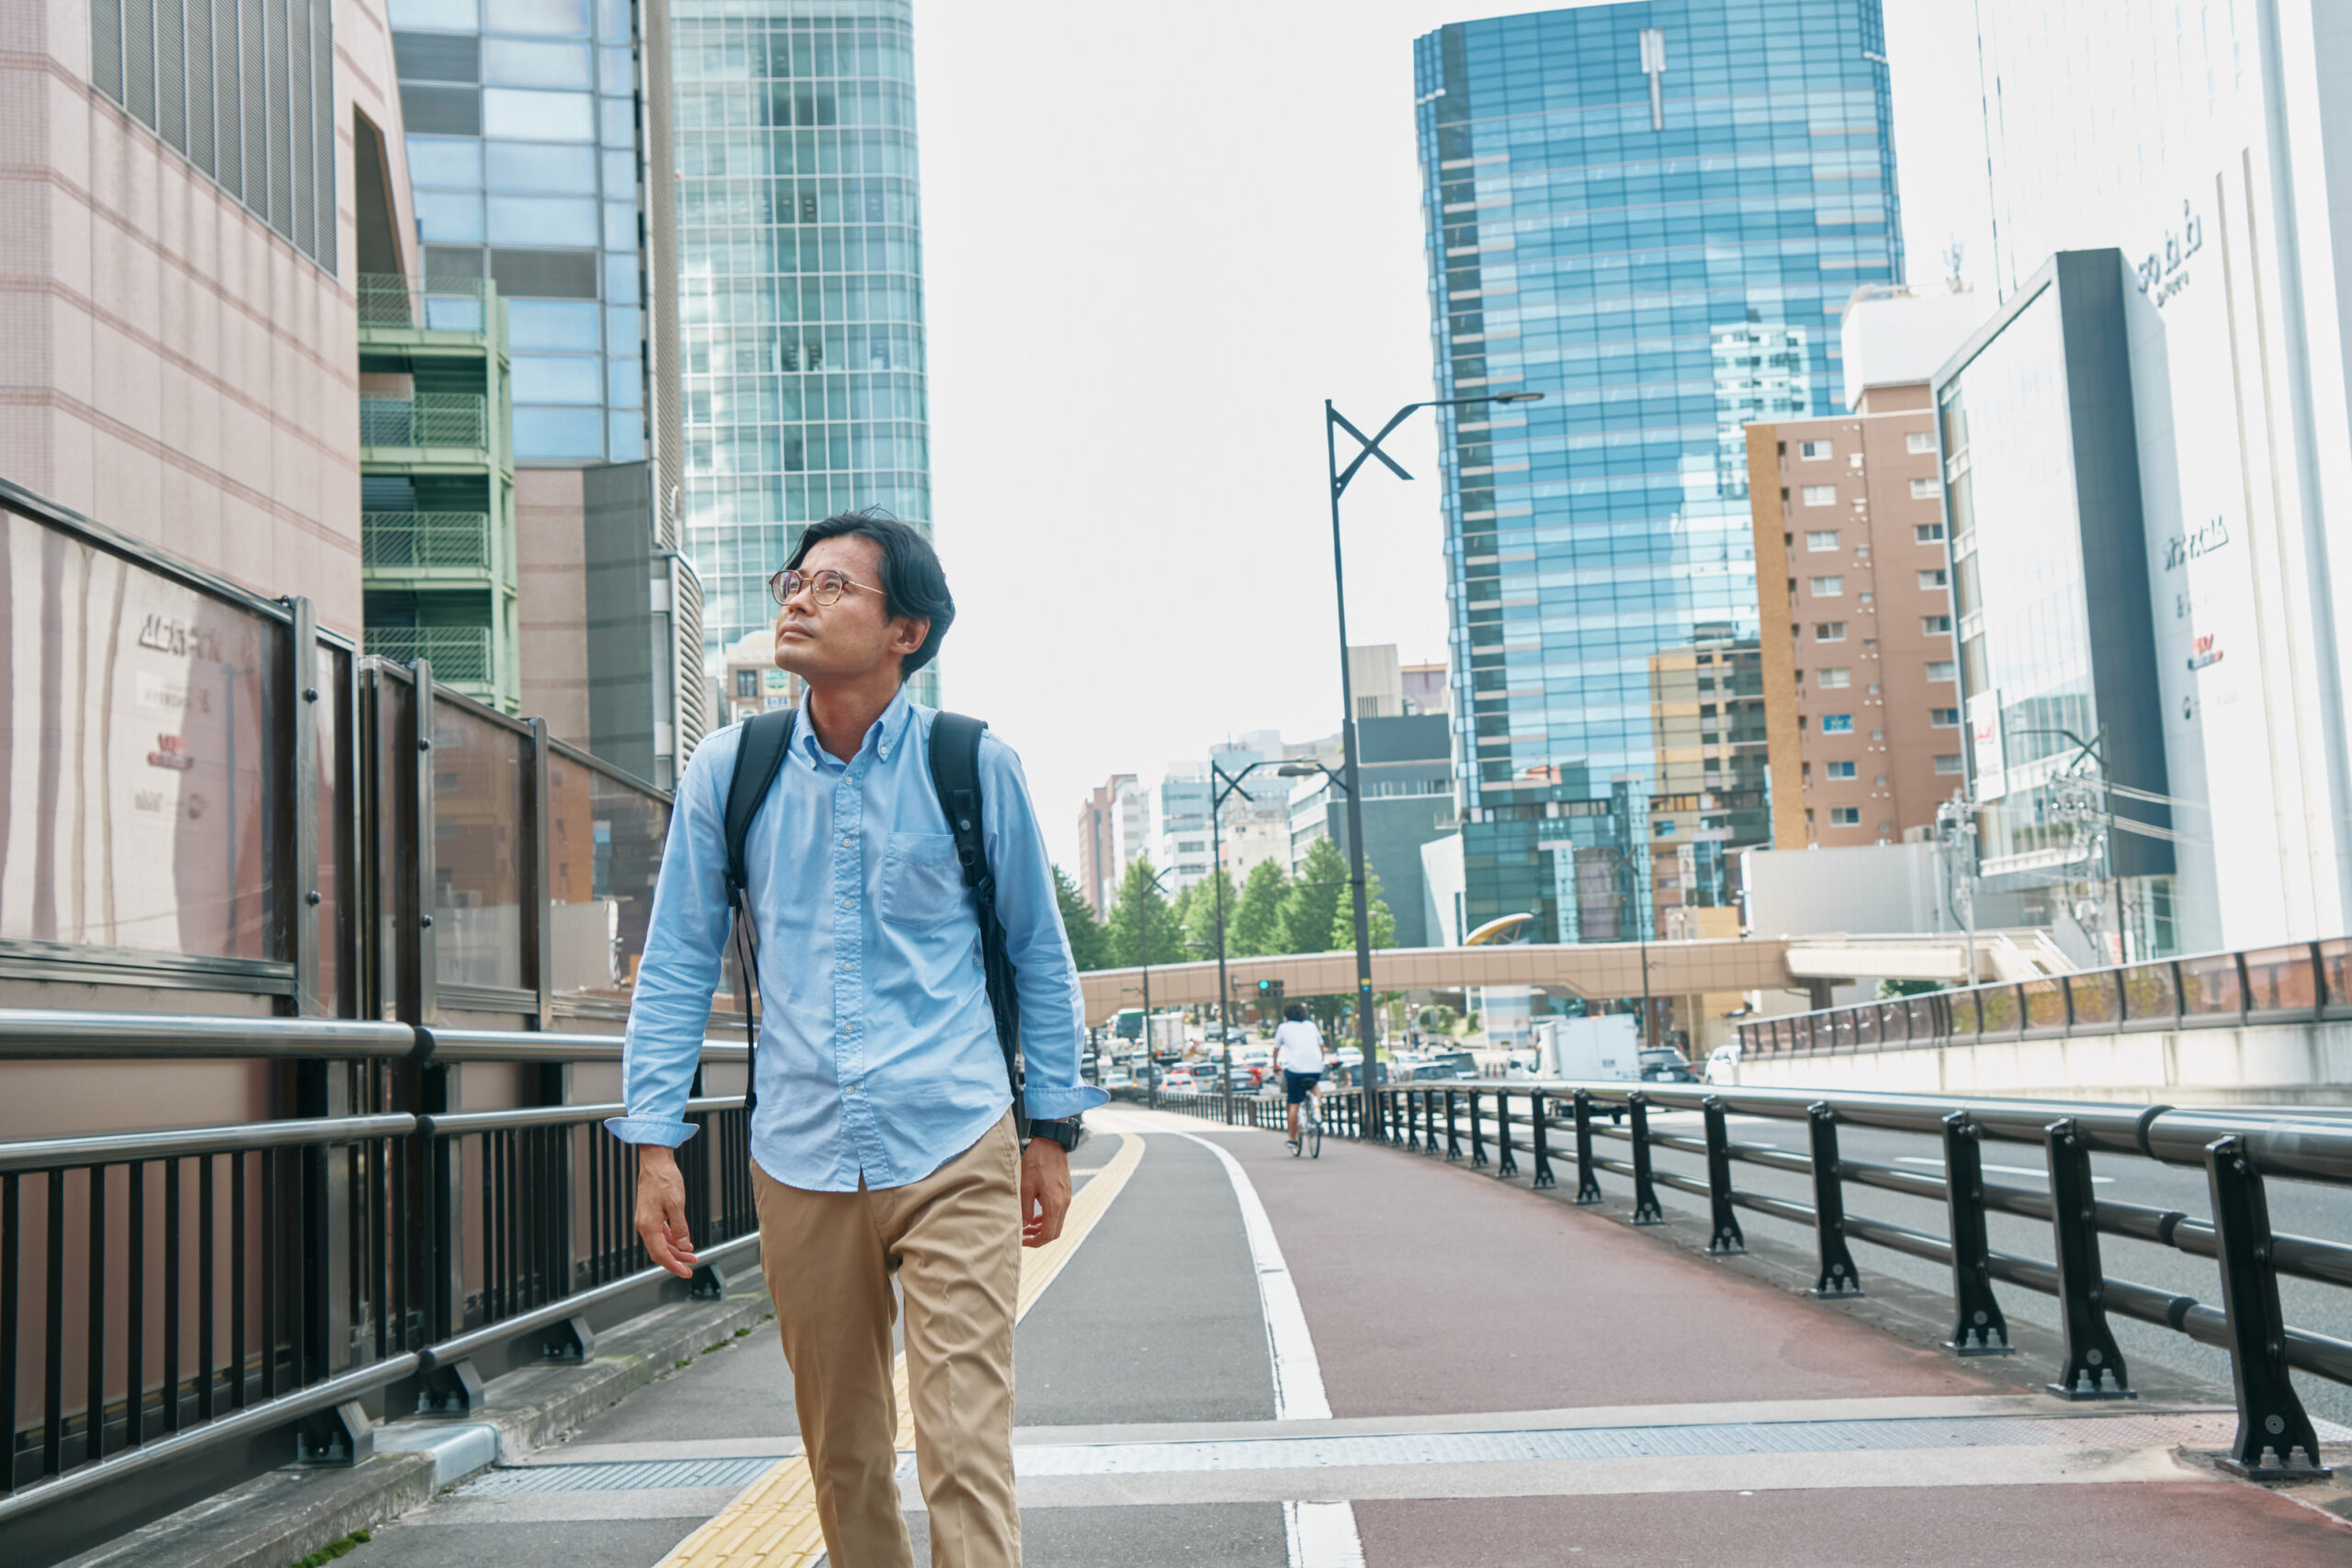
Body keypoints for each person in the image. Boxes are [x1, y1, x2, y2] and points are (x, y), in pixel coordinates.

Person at [605, 509, 1105, 1568]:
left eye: (835, 586)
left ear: (904, 634)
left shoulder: (970, 765)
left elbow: (1038, 954)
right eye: (797, 579)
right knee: (842, 1455)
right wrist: (655, 1142)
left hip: (955, 1140)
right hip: (801, 1153)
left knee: (964, 1444)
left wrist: (1051, 1130)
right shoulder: (731, 772)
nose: (798, 597)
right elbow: (680, 962)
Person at [1274, 1001, 1325, 1146]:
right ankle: (1317, 1111)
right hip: (1315, 1068)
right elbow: (1322, 1047)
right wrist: (1321, 1061)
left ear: (1287, 1015)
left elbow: (1276, 1049)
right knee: (1315, 1088)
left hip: (1295, 1070)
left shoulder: (1283, 1028)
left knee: (1294, 1105)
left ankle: (1292, 1139)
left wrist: (1275, 1065)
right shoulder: (1311, 1025)